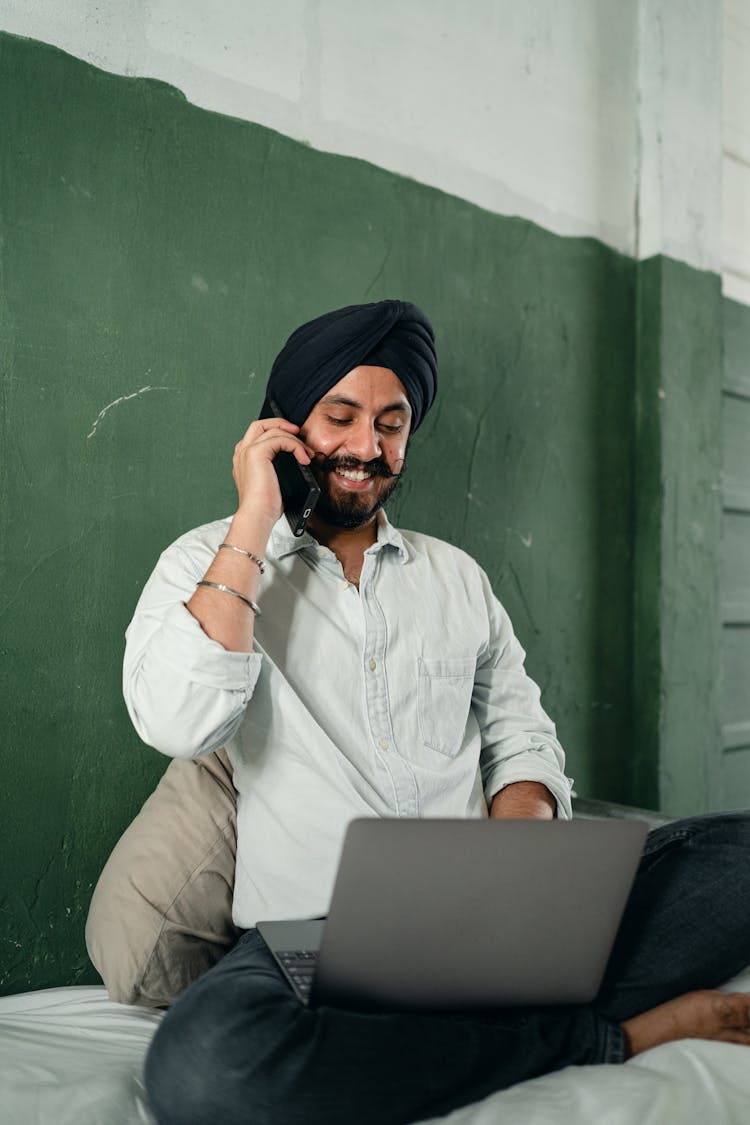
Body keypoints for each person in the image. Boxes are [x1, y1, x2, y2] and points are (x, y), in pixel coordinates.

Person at [124, 300, 750, 1125]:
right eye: (339, 418)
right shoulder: (207, 564)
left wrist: (522, 852)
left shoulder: (456, 578)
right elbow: (179, 720)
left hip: (491, 922)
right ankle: (608, 1038)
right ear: (285, 428)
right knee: (206, 1072)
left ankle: (492, 1010)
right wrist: (255, 516)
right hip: (312, 941)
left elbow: (520, 738)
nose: (366, 448)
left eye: (392, 422)